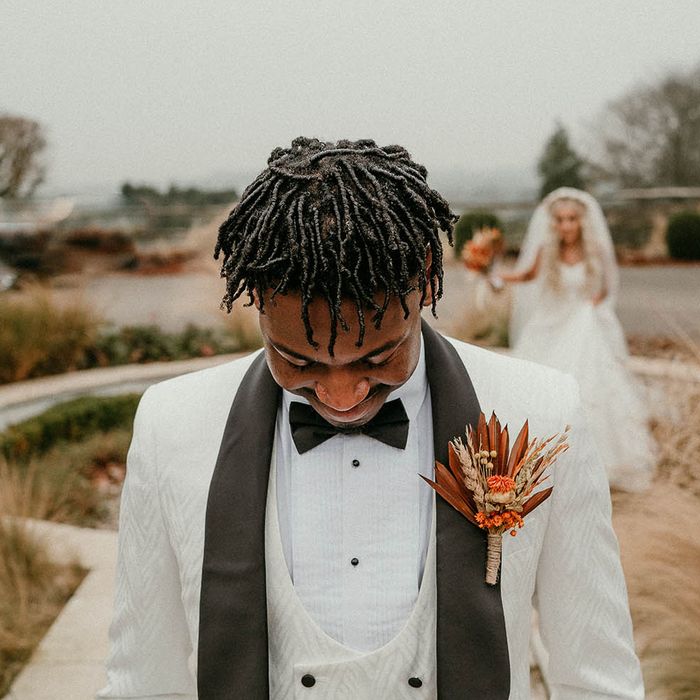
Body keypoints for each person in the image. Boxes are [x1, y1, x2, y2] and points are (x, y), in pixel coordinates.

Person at [98, 140, 644, 699]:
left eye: (377, 357)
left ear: (426, 277)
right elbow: (142, 681)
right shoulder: (171, 425)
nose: (340, 395)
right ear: (257, 298)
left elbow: (596, 677)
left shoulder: (543, 410)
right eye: (300, 361)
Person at [498, 187, 655, 493]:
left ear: (582, 221)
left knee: (590, 384)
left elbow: (607, 289)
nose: (566, 225)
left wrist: (592, 308)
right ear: (553, 222)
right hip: (552, 321)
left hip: (583, 322)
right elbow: (527, 275)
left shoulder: (595, 248)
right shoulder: (548, 249)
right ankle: (543, 461)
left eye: (572, 219)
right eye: (560, 219)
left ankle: (598, 464)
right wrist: (495, 275)